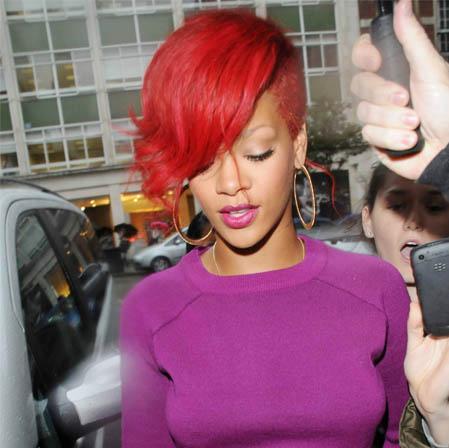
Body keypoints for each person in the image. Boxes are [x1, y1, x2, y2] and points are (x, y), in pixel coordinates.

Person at [120, 10, 410, 447]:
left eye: (256, 152)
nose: (230, 183)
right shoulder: (151, 310)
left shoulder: (376, 288)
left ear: (298, 144)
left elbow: (404, 438)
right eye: (203, 160)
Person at [351, 0, 449, 446]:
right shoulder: (345, 318)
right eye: (396, 204)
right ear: (367, 220)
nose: (414, 220)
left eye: (434, 203)